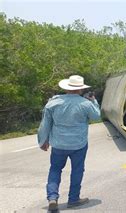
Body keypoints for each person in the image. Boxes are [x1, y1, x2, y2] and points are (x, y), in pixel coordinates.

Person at [38, 75, 101, 211]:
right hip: (79, 144)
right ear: (80, 89)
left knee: (55, 169)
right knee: (77, 170)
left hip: (58, 144)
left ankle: (52, 198)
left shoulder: (53, 103)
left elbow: (45, 124)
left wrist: (43, 141)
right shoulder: (86, 103)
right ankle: (73, 199)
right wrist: (94, 101)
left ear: (66, 88)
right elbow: (96, 117)